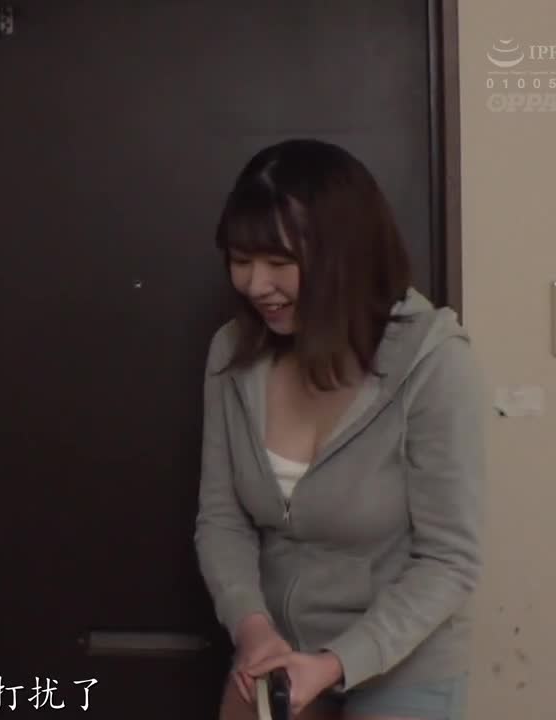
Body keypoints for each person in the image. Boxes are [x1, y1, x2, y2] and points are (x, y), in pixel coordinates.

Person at [194, 139, 484, 720]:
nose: (255, 284)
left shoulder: (434, 360)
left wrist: (333, 663)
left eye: (279, 262)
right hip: (277, 656)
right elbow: (222, 520)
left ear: (343, 256)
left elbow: (449, 560)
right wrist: (253, 629)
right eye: (241, 260)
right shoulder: (233, 353)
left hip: (400, 661)